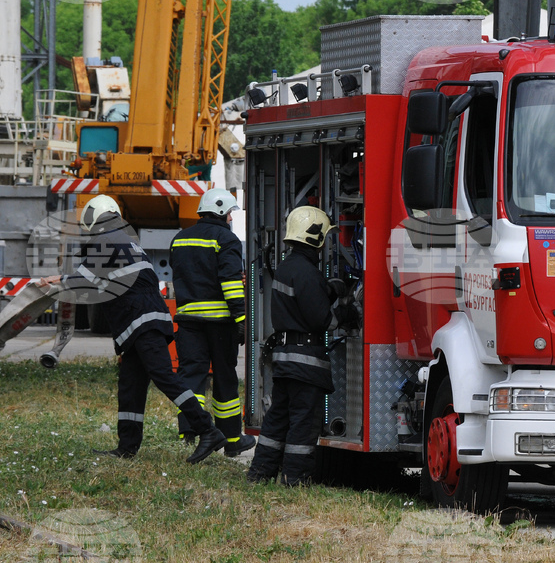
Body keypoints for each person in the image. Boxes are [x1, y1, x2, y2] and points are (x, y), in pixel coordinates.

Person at [42, 195, 225, 463]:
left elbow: (87, 280)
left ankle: (207, 430)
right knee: (131, 384)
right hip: (141, 323)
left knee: (164, 376)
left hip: (143, 322)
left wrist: (58, 280)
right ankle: (127, 446)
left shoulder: (108, 238)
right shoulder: (124, 238)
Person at [246, 205, 338, 486]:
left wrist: (327, 289)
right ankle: (294, 479)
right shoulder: (308, 273)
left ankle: (260, 473)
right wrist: (344, 310)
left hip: (285, 360)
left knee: (277, 420)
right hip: (306, 362)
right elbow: (323, 320)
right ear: (315, 238)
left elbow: (299, 303)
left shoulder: (287, 268)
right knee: (303, 421)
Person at [169, 188, 255, 457]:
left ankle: (191, 430)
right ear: (220, 212)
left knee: (190, 375)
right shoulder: (226, 239)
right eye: (230, 213)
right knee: (225, 380)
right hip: (220, 322)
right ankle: (231, 440)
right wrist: (241, 318)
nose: (231, 218)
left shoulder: (180, 238)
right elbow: (230, 282)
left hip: (188, 320)